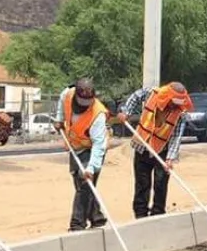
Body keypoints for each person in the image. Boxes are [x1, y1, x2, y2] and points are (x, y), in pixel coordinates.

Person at [117, 81, 194, 218]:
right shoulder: (151, 94)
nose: (174, 105)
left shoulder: (180, 113)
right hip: (142, 145)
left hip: (162, 150)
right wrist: (126, 112)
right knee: (142, 183)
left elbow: (176, 137)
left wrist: (170, 159)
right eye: (172, 102)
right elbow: (136, 96)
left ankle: (158, 213)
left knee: (160, 182)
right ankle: (140, 214)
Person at [53, 77, 110, 231]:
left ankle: (77, 224)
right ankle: (97, 218)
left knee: (84, 183)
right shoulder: (68, 93)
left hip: (92, 149)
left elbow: (99, 145)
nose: (85, 105)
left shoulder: (98, 115)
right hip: (75, 145)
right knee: (81, 184)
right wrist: (59, 120)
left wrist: (91, 168)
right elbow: (61, 103)